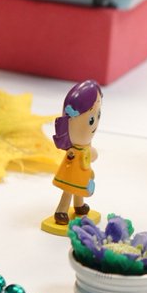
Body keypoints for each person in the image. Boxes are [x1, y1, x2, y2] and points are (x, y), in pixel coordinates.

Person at [45, 79, 101, 234]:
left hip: (82, 171)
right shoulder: (75, 148)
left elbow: (91, 155)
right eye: (91, 119)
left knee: (80, 187)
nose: (95, 123)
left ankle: (78, 205)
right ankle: (61, 210)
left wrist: (91, 154)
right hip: (72, 171)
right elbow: (85, 156)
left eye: (98, 115)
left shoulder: (86, 145)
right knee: (69, 189)